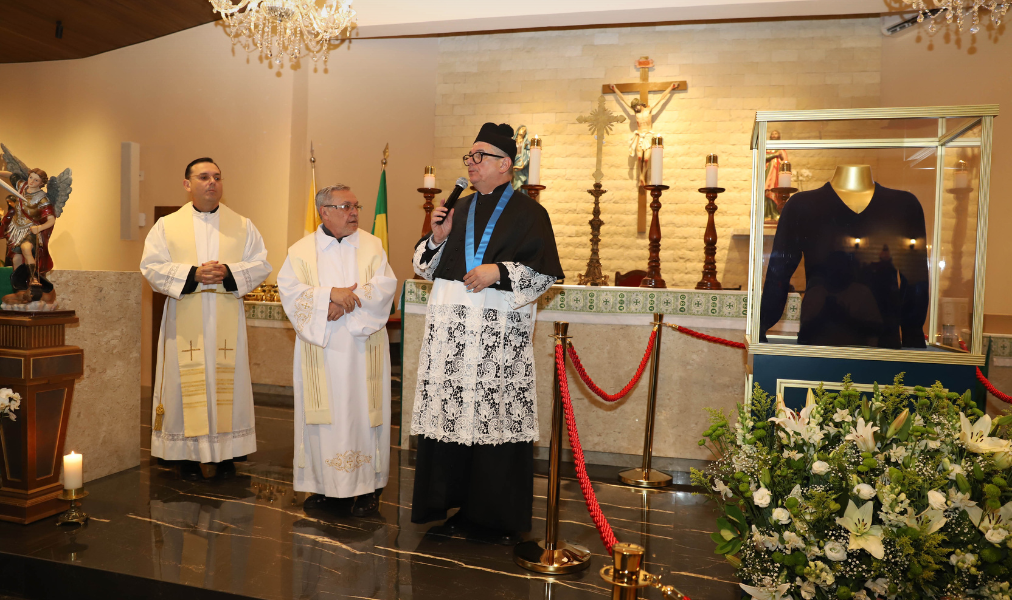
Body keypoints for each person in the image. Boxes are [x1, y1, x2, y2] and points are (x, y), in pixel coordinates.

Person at [410, 122, 564, 544]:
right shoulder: (456, 208)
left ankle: (493, 515)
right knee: (452, 417)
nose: (471, 165)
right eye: (469, 157)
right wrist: (437, 237)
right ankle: (450, 504)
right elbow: (423, 267)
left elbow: (545, 274)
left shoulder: (531, 213)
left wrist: (499, 271)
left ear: (506, 166)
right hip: (453, 339)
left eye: (481, 157)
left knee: (493, 418)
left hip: (497, 339)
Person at [140, 158, 271, 480]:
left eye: (217, 177)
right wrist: (193, 273)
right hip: (184, 317)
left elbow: (261, 264)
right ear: (187, 184)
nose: (212, 182)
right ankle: (183, 453)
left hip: (226, 317)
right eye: (203, 177)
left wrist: (228, 272)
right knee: (184, 383)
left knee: (225, 382)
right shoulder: (167, 226)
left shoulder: (242, 225)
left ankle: (226, 452)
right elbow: (151, 267)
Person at [277, 184, 396, 517]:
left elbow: (385, 286)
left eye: (356, 205)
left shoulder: (373, 245)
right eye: (346, 206)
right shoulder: (300, 251)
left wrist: (344, 305)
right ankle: (324, 487)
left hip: (363, 350)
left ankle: (370, 489)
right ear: (324, 211)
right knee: (325, 418)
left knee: (364, 415)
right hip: (323, 352)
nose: (355, 212)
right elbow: (290, 291)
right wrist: (328, 296)